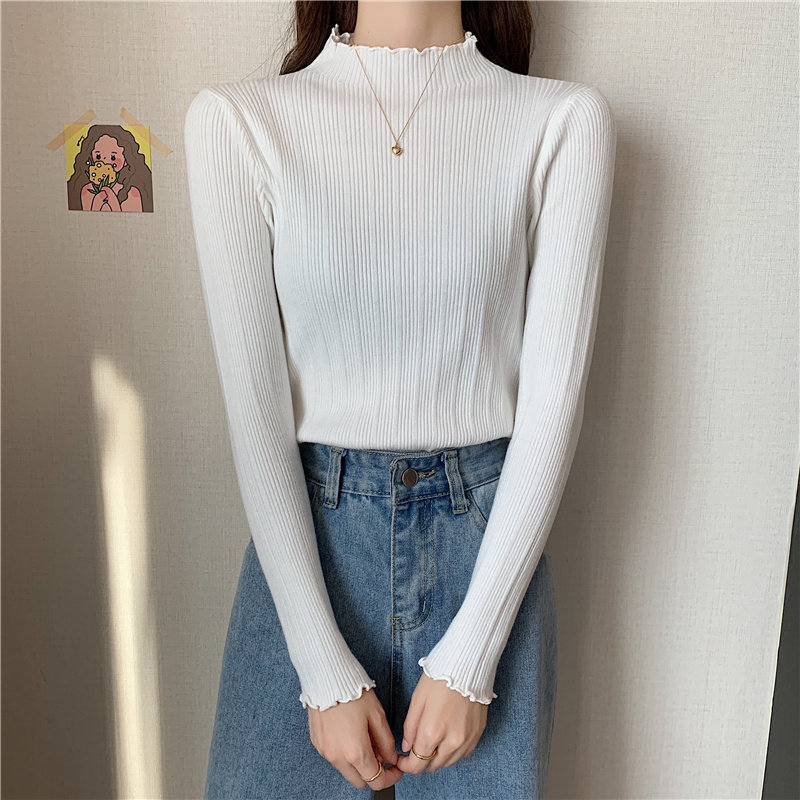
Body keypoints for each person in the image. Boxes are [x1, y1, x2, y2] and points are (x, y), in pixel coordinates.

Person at [184, 1, 616, 797]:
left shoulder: (561, 122)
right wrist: (321, 669)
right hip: (307, 549)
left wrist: (473, 655)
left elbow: (554, 405)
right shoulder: (238, 123)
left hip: (486, 551)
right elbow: (255, 415)